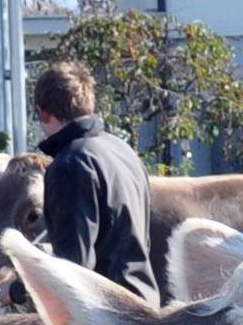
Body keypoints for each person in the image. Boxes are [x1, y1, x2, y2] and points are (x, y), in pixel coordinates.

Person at [30, 60, 153, 290]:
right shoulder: (123, 149)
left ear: (43, 113)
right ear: (90, 103)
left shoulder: (70, 164)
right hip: (143, 300)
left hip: (104, 307)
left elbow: (73, 267)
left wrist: (17, 289)